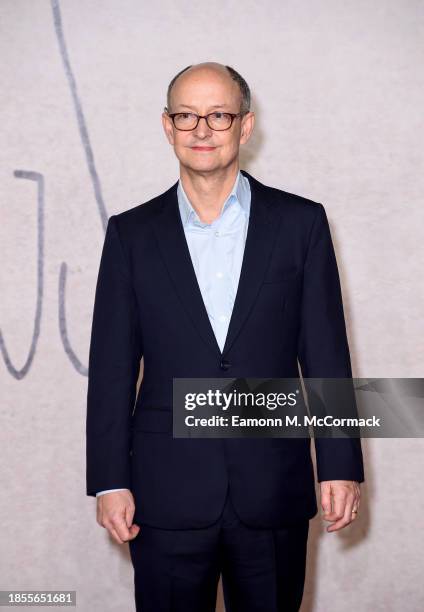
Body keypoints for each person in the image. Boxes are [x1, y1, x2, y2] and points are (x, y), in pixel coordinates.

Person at [86, 62, 364, 612]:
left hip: (273, 491)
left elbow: (327, 354)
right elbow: (111, 370)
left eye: (218, 114)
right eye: (187, 116)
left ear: (246, 125)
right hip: (163, 497)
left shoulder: (301, 224)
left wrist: (339, 464)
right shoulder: (131, 234)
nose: (202, 129)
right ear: (167, 127)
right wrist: (108, 479)